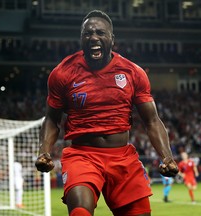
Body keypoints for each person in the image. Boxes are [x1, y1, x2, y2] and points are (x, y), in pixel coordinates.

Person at [35, 10, 178, 216]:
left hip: (122, 157)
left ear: (112, 38)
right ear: (81, 39)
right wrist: (44, 152)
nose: (94, 37)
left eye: (101, 33)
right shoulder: (63, 73)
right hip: (82, 156)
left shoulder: (133, 72)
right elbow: (51, 120)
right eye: (88, 33)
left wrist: (167, 157)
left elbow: (152, 121)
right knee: (80, 212)